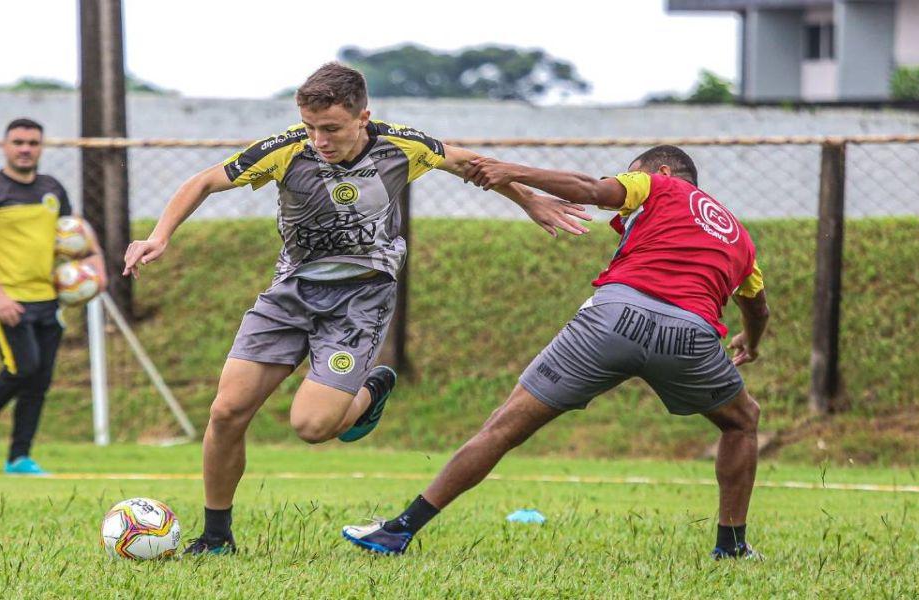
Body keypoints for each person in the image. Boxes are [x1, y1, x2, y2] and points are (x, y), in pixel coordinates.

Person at [122, 62, 591, 555]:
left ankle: (371, 388)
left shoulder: (402, 145)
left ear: (362, 116)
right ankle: (216, 536)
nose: (319, 140)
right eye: (310, 127)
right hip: (290, 293)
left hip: (359, 302)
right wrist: (159, 236)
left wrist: (529, 201)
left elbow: (475, 165)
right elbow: (202, 182)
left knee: (313, 428)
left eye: (331, 129)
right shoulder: (286, 150)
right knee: (226, 412)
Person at [342, 145, 769, 560]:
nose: (624, 197)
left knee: (502, 428)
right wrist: (751, 342)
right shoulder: (739, 237)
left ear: (663, 171)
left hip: (613, 318)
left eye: (629, 173)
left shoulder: (658, 185)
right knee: (741, 422)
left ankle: (400, 530)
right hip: (691, 336)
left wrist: (512, 171)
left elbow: (591, 189)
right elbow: (757, 304)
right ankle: (731, 546)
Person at [0, 118, 106, 476]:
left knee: (40, 379)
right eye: (18, 142)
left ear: (41, 147)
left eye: (33, 143)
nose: (25, 149)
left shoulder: (52, 189)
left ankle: (19, 458)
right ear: (4, 146)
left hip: (47, 297)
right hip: (5, 297)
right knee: (21, 368)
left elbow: (76, 235)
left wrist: (96, 267)